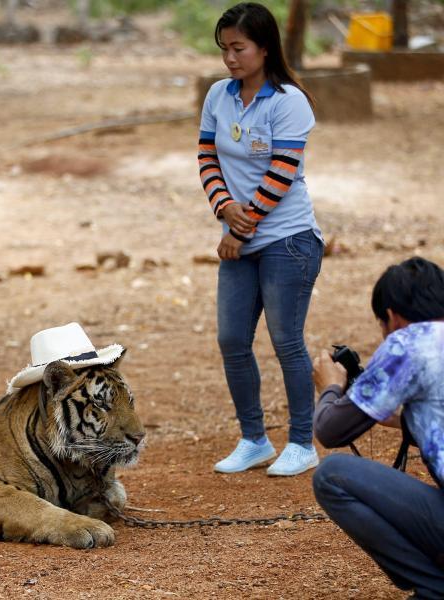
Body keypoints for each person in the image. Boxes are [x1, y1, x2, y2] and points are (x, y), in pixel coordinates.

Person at [198, 2, 324, 476]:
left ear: (264, 47)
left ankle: (301, 442)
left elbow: (283, 170)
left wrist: (239, 224)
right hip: (238, 234)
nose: (230, 58)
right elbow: (207, 156)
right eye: (224, 49)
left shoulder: (289, 100)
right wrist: (222, 208)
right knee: (232, 338)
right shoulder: (219, 95)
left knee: (286, 340)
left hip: (288, 238)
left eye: (239, 48)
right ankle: (253, 438)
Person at [313, 257, 444, 599]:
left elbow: (330, 431)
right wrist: (400, 419)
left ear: (392, 316)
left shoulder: (408, 343)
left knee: (332, 475)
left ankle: (435, 587)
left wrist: (330, 386)